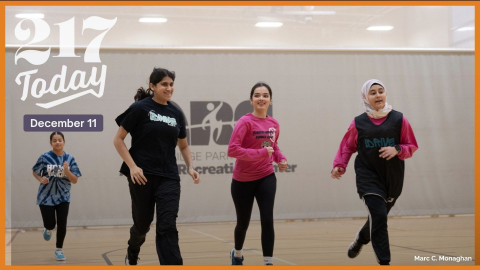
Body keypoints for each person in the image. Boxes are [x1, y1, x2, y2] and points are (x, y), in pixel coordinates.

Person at [113, 67, 200, 265]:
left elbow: (183, 145)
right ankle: (133, 250)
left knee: (167, 225)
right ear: (153, 86)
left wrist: (190, 166)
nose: (169, 88)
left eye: (171, 84)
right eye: (164, 84)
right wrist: (133, 167)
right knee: (142, 225)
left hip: (169, 176)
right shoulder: (139, 109)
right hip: (141, 176)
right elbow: (118, 140)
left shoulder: (176, 112)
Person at [330, 79, 418, 265]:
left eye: (381, 91)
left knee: (378, 217)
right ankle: (384, 262)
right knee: (378, 216)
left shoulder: (399, 119)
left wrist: (397, 149)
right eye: (373, 92)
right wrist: (340, 165)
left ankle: (360, 239)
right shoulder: (358, 123)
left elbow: (411, 145)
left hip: (392, 178)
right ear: (365, 97)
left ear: (385, 94)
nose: (378, 95)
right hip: (367, 176)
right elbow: (347, 146)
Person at [227, 82, 288, 265]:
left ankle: (268, 262)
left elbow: (273, 146)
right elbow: (232, 150)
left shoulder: (274, 124)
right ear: (251, 100)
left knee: (267, 219)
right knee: (243, 223)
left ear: (270, 100)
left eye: (265, 95)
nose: (261, 98)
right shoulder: (245, 122)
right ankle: (237, 253)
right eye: (257, 95)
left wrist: (281, 159)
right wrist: (261, 153)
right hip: (242, 181)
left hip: (266, 176)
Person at [32, 131, 82, 261]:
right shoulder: (44, 157)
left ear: (64, 142)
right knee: (50, 224)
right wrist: (40, 178)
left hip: (63, 196)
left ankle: (59, 249)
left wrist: (67, 171)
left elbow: (75, 180)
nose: (57, 142)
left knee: (62, 224)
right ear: (51, 143)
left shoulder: (70, 159)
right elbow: (35, 171)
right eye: (54, 140)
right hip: (46, 196)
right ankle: (47, 229)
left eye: (60, 140)